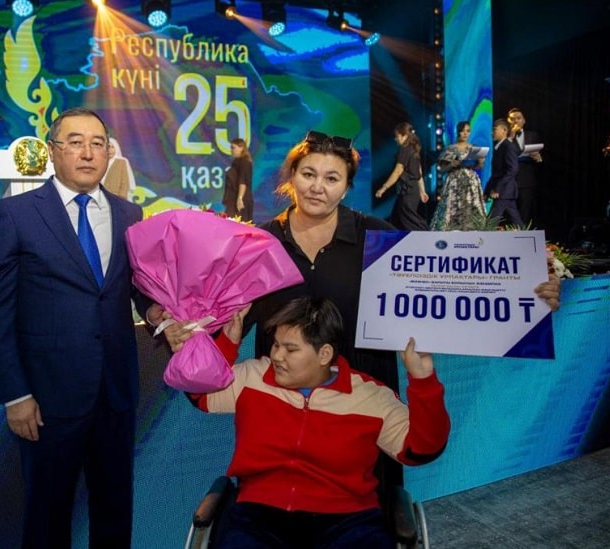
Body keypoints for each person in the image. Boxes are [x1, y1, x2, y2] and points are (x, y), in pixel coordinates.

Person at [161, 129, 563, 390]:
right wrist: (180, 326)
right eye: (308, 174)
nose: (317, 187)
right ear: (291, 177)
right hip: (279, 414)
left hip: (367, 412)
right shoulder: (258, 245)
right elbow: (228, 324)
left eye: (332, 178)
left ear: (347, 187)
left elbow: (451, 293)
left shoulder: (380, 239)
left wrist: (525, 290)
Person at [0, 107, 167, 548]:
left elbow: (134, 286)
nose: (87, 153)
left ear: (109, 154)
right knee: (47, 518)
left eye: (97, 144)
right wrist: (15, 395)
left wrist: (157, 311)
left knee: (114, 513)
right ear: (52, 151)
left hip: (116, 393)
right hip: (46, 399)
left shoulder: (129, 213)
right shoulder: (16, 214)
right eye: (75, 142)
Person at [186, 297, 451, 548]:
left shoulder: (371, 397)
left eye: (291, 349)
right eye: (276, 344)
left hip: (348, 520)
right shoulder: (252, 377)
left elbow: (421, 449)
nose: (277, 355)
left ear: (324, 354)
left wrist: (423, 380)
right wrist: (227, 344)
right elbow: (201, 394)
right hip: (258, 516)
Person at [430, 121, 488, 230]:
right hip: (455, 181)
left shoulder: (474, 148)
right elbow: (442, 169)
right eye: (463, 131)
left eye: (468, 131)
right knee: (453, 206)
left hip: (471, 181)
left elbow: (479, 167)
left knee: (470, 205)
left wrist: (480, 162)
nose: (465, 134)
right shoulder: (450, 149)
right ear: (458, 132)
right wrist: (451, 164)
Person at [375, 122, 429, 231]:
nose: (395, 139)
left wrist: (383, 188)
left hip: (408, 190)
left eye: (397, 136)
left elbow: (398, 171)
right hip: (411, 190)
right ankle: (400, 240)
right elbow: (419, 173)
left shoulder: (405, 149)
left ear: (404, 136)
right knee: (396, 218)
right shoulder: (413, 150)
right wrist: (422, 191)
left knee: (410, 219)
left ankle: (427, 235)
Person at [507, 108, 543, 226]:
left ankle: (523, 234)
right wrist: (510, 136)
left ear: (524, 120)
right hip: (510, 180)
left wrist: (538, 158)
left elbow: (540, 158)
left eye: (518, 118)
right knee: (510, 212)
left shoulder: (532, 135)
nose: (516, 121)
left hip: (527, 180)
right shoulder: (504, 137)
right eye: (512, 119)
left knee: (525, 211)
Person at [485, 118, 523, 227]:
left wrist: (498, 188)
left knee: (490, 224)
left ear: (504, 130)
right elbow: (496, 174)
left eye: (495, 129)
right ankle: (526, 235)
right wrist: (487, 191)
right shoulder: (499, 147)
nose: (492, 132)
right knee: (517, 221)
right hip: (505, 192)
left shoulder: (508, 146)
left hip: (504, 191)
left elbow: (513, 169)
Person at [222, 137, 254, 222]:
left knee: (240, 223)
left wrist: (240, 198)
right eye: (231, 148)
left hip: (241, 199)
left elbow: (243, 182)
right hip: (233, 198)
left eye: (233, 148)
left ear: (241, 147)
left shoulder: (245, 163)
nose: (231, 150)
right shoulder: (236, 162)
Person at [101, 136, 137, 201]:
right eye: (108, 147)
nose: (110, 150)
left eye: (112, 147)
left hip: (117, 197)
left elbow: (125, 182)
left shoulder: (122, 161)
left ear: (116, 148)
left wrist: (122, 198)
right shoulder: (101, 162)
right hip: (102, 196)